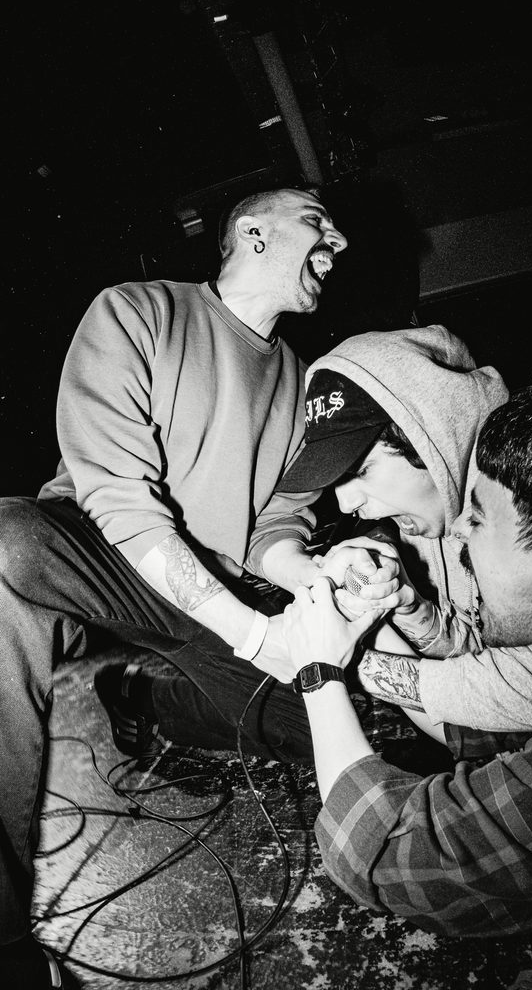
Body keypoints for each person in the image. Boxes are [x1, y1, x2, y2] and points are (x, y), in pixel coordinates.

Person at [0, 186, 347, 985]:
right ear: (252, 234)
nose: (338, 242)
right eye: (316, 222)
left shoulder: (304, 385)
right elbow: (118, 495)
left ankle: (141, 697)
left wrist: (311, 574)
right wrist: (253, 632)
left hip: (205, 592)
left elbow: (276, 522)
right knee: (6, 545)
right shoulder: (139, 311)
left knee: (318, 728)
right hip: (95, 555)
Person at [281, 358, 532, 989]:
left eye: (480, 517)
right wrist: (401, 611)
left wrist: (319, 673)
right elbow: (490, 737)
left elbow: (380, 853)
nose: (461, 533)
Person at [276, 325, 532, 736]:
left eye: (361, 471)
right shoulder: (429, 515)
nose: (345, 504)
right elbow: (481, 647)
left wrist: (329, 665)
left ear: (431, 434)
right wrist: (411, 609)